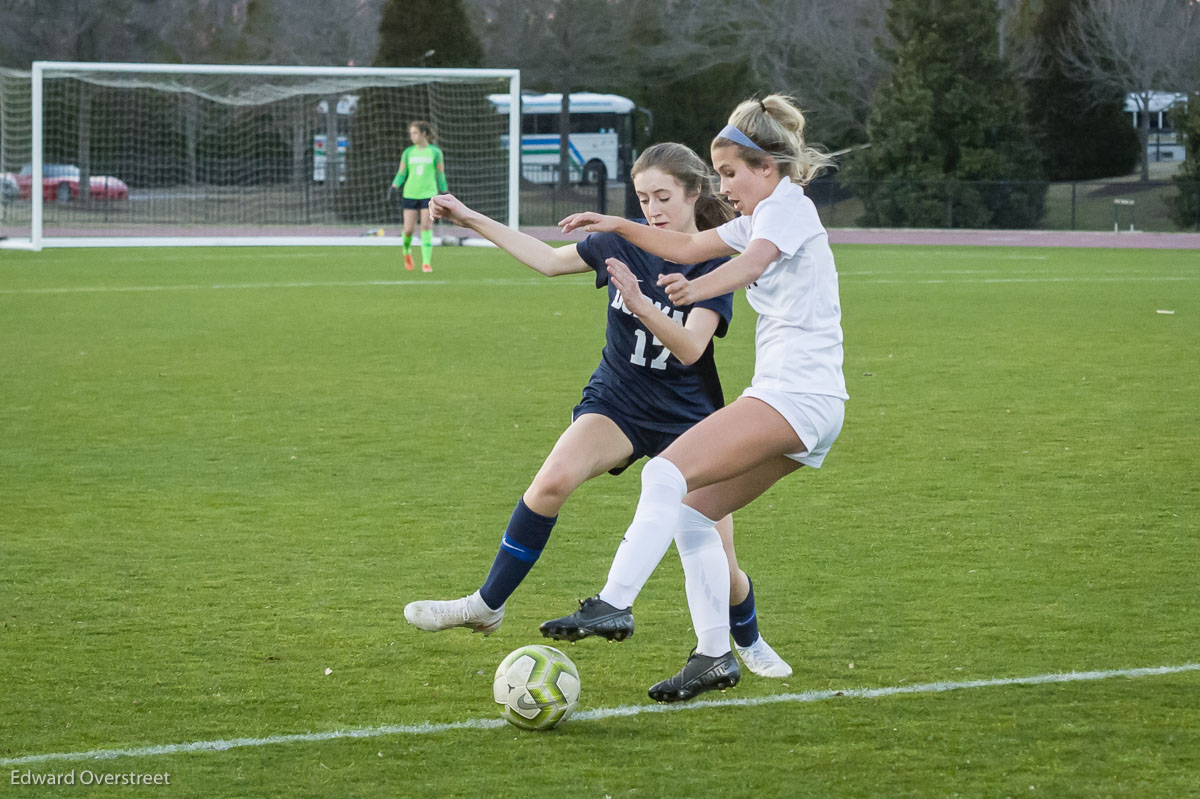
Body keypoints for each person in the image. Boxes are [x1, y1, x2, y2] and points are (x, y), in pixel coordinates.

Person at [402, 142, 793, 680]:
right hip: (620, 398)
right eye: (642, 197)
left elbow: (690, 349)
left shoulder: (712, 257)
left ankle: (747, 641)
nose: (651, 209)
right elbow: (546, 259)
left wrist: (638, 303)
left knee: (720, 564)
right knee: (550, 482)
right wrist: (469, 217)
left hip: (690, 414)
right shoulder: (618, 240)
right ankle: (486, 605)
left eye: (663, 197)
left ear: (694, 193)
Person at [541, 95, 847, 703]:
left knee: (664, 475)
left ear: (768, 167)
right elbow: (685, 248)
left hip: (796, 395)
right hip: (806, 403)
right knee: (693, 512)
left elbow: (745, 265)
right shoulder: (760, 216)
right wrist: (616, 225)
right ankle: (714, 655)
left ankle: (614, 603)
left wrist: (689, 291)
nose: (724, 186)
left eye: (731, 173)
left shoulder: (788, 209)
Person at [389, 120, 447, 272]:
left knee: (426, 226)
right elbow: (402, 173)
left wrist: (444, 190)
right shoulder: (408, 152)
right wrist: (394, 186)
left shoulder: (435, 152)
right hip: (410, 193)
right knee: (408, 230)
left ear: (424, 134)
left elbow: (440, 173)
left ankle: (426, 263)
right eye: (411, 134)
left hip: (429, 194)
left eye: (415, 133)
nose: (412, 136)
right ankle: (406, 252)